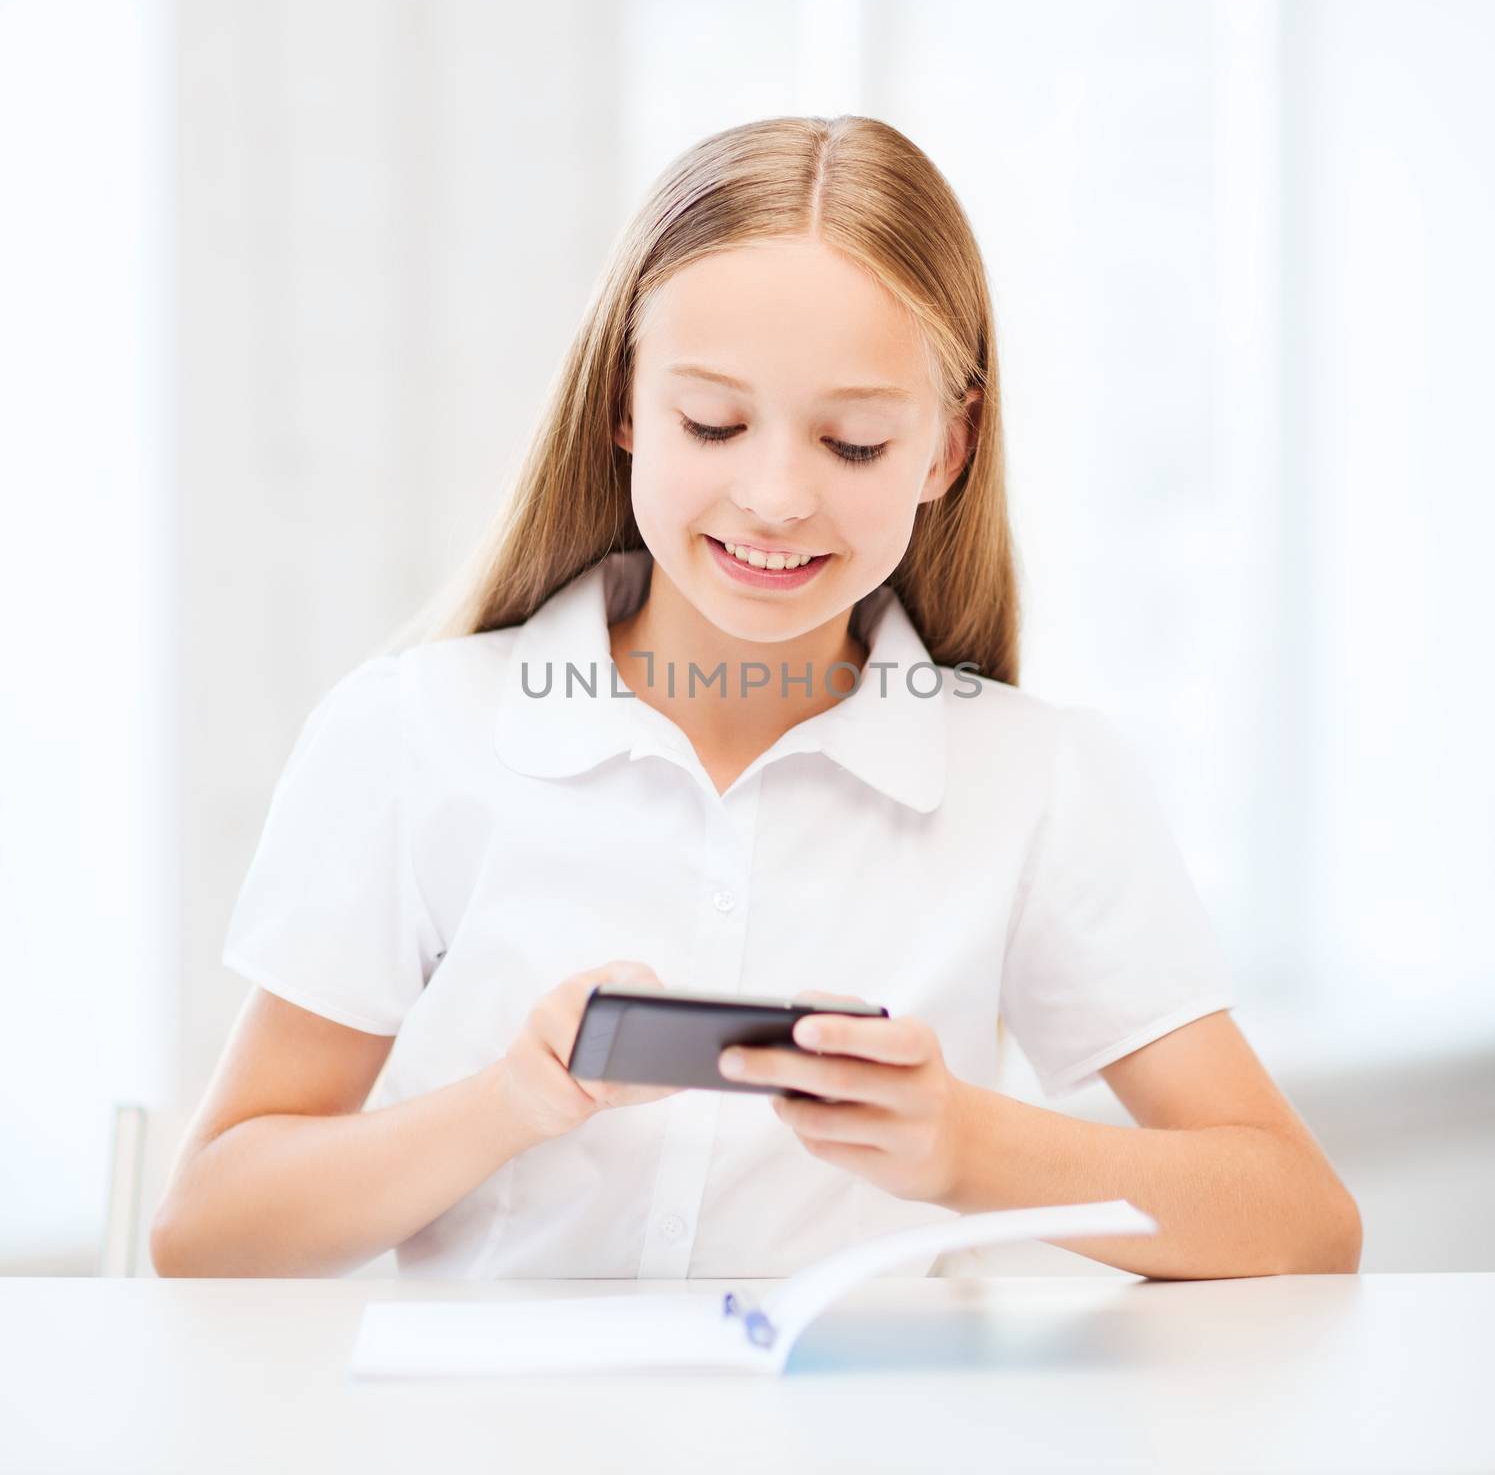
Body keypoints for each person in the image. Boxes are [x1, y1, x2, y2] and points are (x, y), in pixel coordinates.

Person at [150, 116, 1361, 1282]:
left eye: (853, 446)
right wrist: (509, 1101)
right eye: (713, 422)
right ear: (624, 404)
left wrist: (967, 1146)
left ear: (945, 449)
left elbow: (1300, 1220)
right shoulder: (411, 736)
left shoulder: (1036, 780)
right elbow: (209, 1228)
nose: (776, 495)